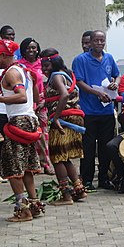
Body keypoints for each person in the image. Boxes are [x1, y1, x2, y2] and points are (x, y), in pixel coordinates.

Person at [0, 39, 45, 222]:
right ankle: (34, 204)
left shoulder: (12, 73)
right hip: (30, 119)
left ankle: (23, 210)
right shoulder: (24, 70)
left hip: (18, 122)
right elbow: (34, 96)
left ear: (4, 55)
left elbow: (21, 97)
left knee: (13, 168)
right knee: (27, 167)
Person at [72, 30, 120, 190]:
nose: (100, 43)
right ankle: (86, 179)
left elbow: (116, 75)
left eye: (102, 40)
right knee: (88, 147)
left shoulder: (109, 58)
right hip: (89, 110)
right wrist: (97, 93)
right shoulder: (80, 60)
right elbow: (79, 82)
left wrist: (114, 84)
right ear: (90, 42)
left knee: (106, 147)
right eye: (96, 40)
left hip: (106, 111)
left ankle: (104, 178)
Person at [41, 48, 88, 205]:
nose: (44, 69)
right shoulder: (67, 74)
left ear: (53, 63)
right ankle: (79, 190)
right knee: (65, 157)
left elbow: (64, 95)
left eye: (46, 65)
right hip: (73, 118)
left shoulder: (56, 76)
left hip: (63, 120)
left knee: (57, 157)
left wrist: (55, 118)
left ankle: (66, 195)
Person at [18, 37, 55, 175]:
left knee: (44, 135)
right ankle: (33, 165)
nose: (31, 50)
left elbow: (50, 83)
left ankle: (46, 162)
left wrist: (43, 100)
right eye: (28, 48)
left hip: (42, 104)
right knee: (29, 135)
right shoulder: (19, 65)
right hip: (26, 104)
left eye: (34, 47)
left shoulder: (43, 64)